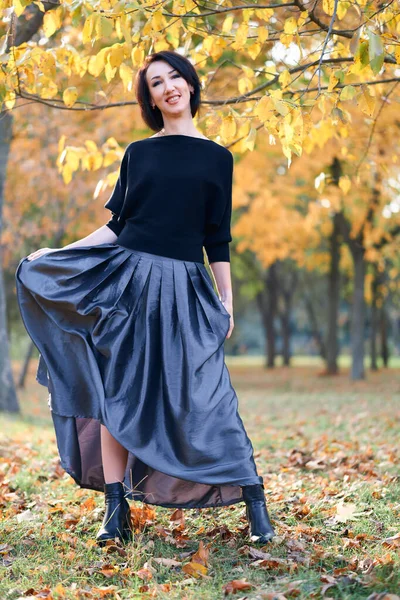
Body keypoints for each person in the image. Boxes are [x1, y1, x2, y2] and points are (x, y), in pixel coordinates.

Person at [15, 50, 275, 547]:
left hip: (186, 292)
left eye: (175, 77)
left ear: (192, 86)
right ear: (150, 99)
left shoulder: (219, 158)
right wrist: (60, 250)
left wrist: (227, 300)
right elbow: (118, 227)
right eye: (157, 83)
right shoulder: (139, 153)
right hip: (129, 287)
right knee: (118, 397)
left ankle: (255, 503)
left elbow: (216, 238)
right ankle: (116, 511)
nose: (169, 87)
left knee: (208, 397)